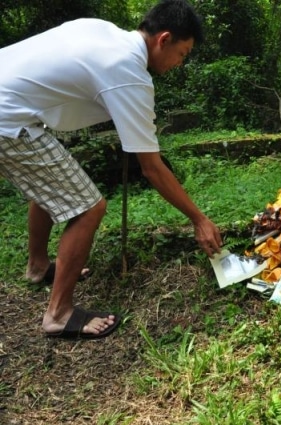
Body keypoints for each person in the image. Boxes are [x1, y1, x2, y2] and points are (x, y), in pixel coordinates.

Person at [0, 0, 223, 340]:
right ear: (164, 39)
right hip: (7, 118)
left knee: (49, 185)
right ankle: (58, 314)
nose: (180, 63)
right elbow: (152, 168)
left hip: (13, 107)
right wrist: (199, 219)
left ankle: (38, 266)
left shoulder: (102, 30)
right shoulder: (129, 72)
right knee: (90, 207)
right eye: (182, 53)